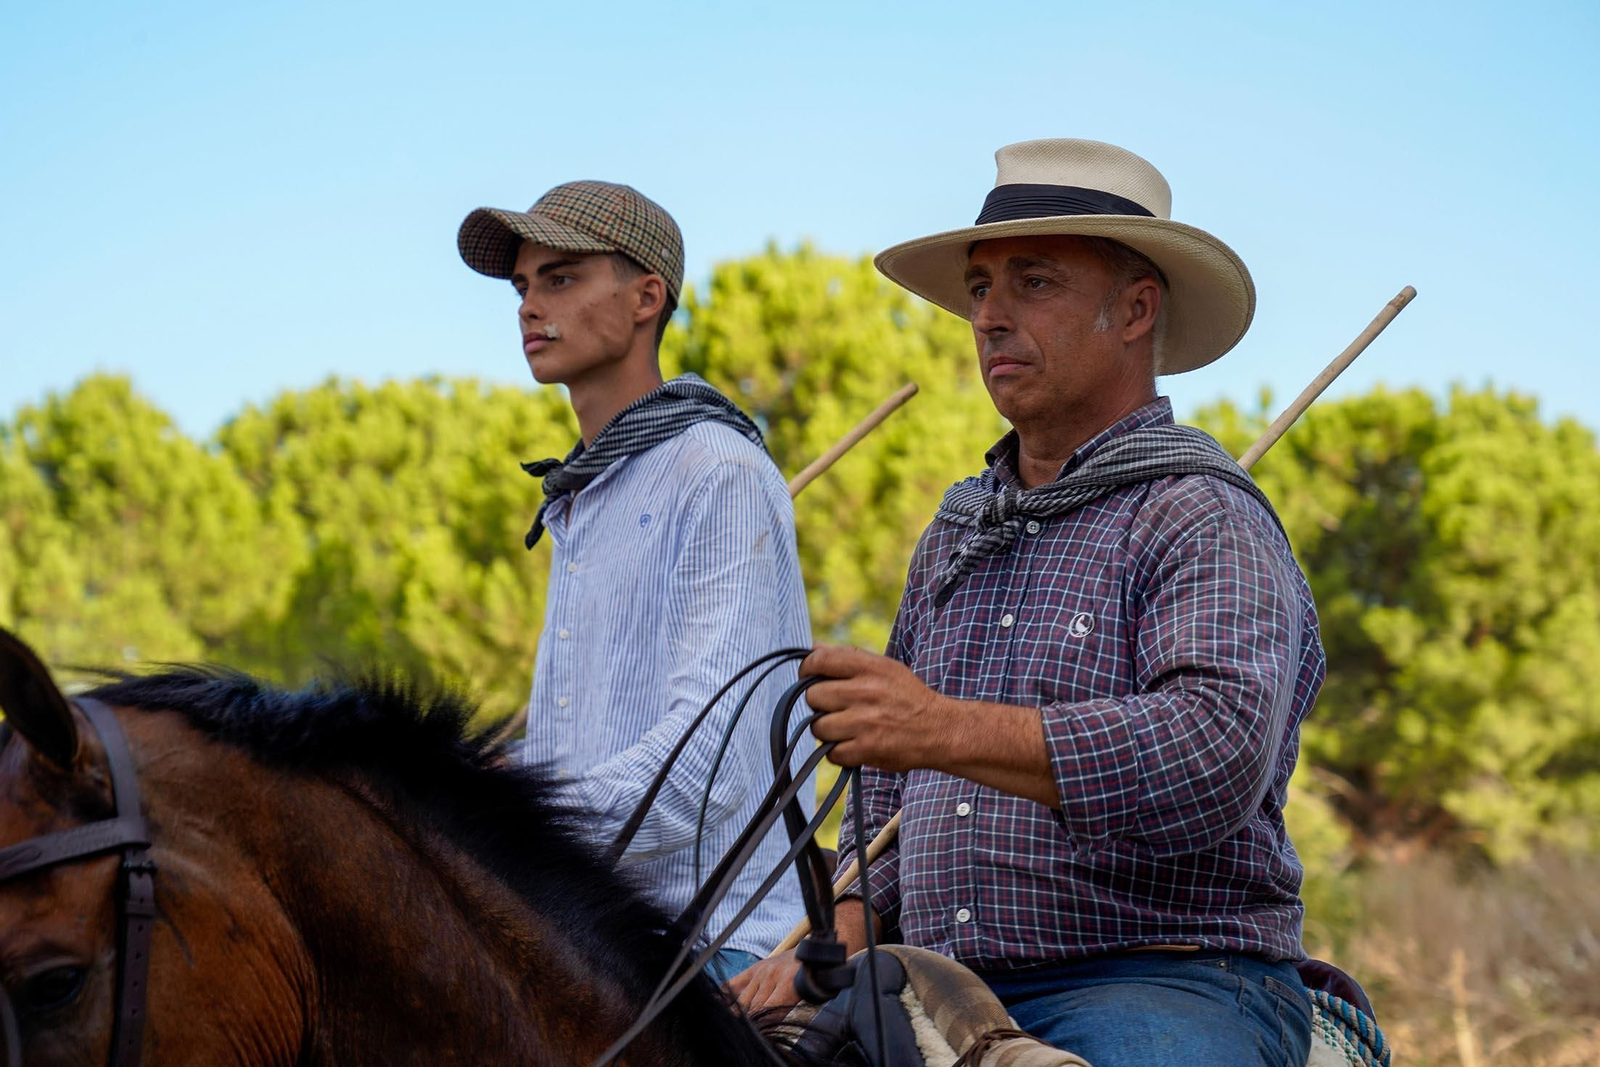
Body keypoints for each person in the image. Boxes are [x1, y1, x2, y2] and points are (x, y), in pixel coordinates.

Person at [731, 139, 1323, 1067]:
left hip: (1161, 977)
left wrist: (943, 729)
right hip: (932, 970)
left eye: (1033, 283)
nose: (990, 316)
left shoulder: (1199, 510)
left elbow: (1216, 747)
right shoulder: (959, 533)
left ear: (1136, 309)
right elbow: (887, 790)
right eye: (978, 288)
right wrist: (844, 916)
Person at [457, 181, 812, 981]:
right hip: (593, 939)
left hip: (710, 947)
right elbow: (589, 752)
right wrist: (503, 773)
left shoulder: (715, 469)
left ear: (647, 296)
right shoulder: (586, 495)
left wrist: (517, 815)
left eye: (561, 278)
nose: (527, 306)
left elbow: (707, 767)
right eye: (521, 285)